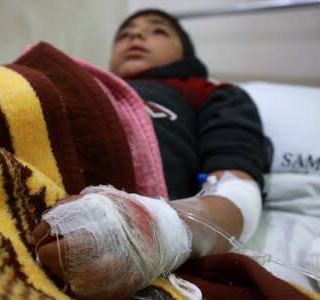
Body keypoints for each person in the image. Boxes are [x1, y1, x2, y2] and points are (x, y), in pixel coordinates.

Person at [32, 8, 267, 300]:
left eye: (158, 30)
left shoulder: (208, 93)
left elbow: (237, 187)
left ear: (185, 52)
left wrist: (154, 229)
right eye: (125, 33)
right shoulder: (84, 85)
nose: (136, 34)